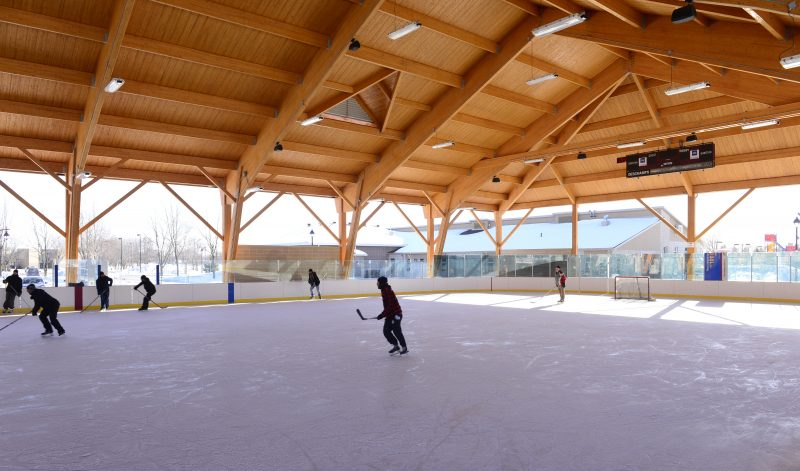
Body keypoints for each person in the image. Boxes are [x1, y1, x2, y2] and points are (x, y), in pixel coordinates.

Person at [376, 276, 408, 355]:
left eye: (378, 282)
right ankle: (396, 345)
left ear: (381, 283)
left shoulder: (387, 291)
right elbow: (388, 307)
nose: (377, 284)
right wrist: (383, 315)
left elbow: (390, 306)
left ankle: (404, 347)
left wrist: (382, 315)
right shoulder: (384, 290)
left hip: (396, 314)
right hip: (390, 315)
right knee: (386, 331)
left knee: (396, 330)